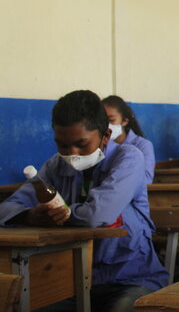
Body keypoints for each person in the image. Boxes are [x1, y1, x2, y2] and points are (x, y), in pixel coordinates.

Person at [1, 90, 168, 311]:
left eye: (82, 144)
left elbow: (97, 215)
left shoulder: (129, 157)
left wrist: (60, 214)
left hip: (131, 278)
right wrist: (29, 215)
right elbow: (6, 208)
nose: (72, 154)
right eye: (62, 145)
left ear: (105, 136)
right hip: (73, 280)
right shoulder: (55, 165)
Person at [102, 95, 155, 183]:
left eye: (111, 120)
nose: (107, 125)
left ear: (124, 121)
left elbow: (146, 179)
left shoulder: (142, 145)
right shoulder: (100, 144)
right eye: (103, 121)